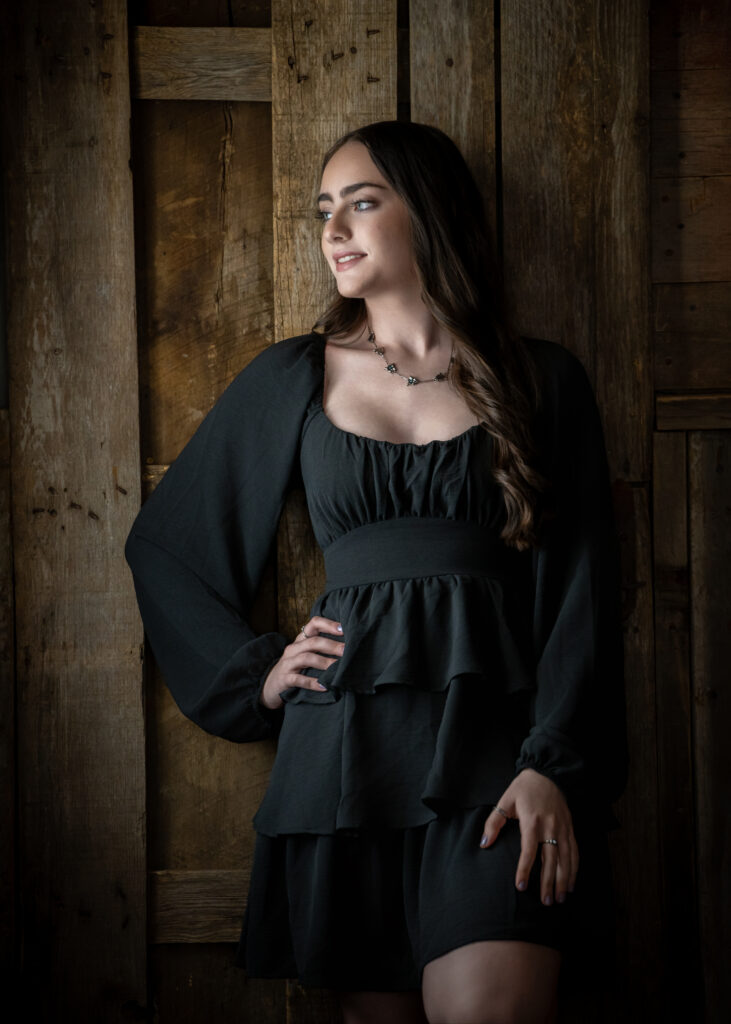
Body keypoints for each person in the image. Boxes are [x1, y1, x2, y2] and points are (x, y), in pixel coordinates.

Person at [125, 121, 627, 1024]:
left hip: (496, 764)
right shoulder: (292, 378)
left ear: (427, 214)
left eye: (362, 202)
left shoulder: (542, 379)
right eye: (325, 210)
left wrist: (554, 762)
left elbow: (582, 593)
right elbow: (165, 546)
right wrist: (260, 674)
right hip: (342, 766)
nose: (335, 229)